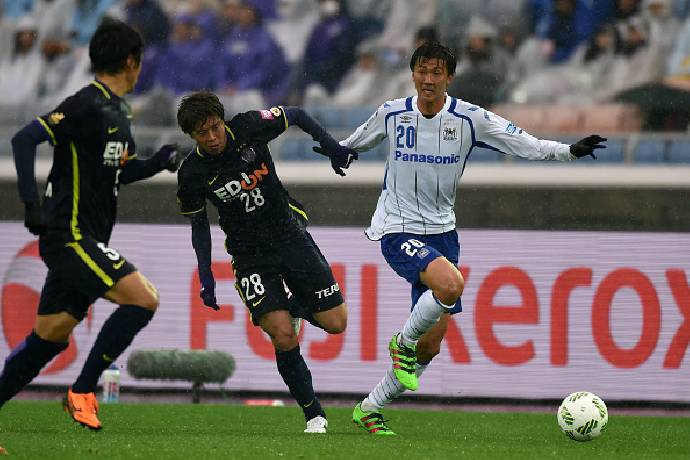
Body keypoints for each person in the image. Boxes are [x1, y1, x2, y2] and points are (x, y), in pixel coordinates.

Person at [325, 41, 606, 435]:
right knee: (451, 284)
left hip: (443, 234)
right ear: (412, 74)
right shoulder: (392, 113)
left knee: (431, 346)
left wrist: (570, 152)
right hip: (397, 227)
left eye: (436, 72)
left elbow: (525, 144)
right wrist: (333, 151)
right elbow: (351, 144)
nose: (427, 79)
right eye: (421, 71)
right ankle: (400, 343)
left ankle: (369, 409)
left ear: (449, 77)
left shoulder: (470, 119)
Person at [1, 18, 181, 431]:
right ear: (131, 63)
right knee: (143, 298)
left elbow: (116, 171)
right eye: (140, 62)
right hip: (70, 235)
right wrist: (32, 204)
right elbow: (24, 139)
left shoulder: (119, 110)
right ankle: (82, 390)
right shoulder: (87, 103)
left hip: (87, 237)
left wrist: (159, 161)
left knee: (50, 337)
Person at [175, 91, 356, 434]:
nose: (212, 138)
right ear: (191, 136)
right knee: (282, 334)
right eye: (202, 134)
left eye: (214, 127)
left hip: (289, 236)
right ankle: (314, 416)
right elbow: (199, 225)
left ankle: (294, 307)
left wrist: (332, 147)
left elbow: (298, 113)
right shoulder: (192, 173)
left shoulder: (249, 127)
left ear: (222, 120)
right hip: (249, 256)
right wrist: (205, 275)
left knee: (336, 322)